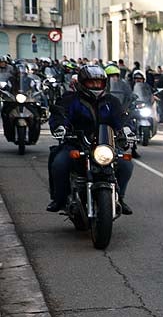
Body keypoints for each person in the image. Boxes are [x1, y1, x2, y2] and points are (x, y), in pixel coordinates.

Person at [46, 65, 135, 215]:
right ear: (82, 83)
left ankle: (119, 197)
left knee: (126, 164)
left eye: (98, 83)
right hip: (76, 143)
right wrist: (60, 127)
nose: (95, 86)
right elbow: (61, 114)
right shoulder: (71, 100)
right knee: (59, 163)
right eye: (91, 83)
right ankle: (59, 199)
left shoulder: (111, 101)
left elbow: (122, 117)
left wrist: (127, 129)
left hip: (105, 144)